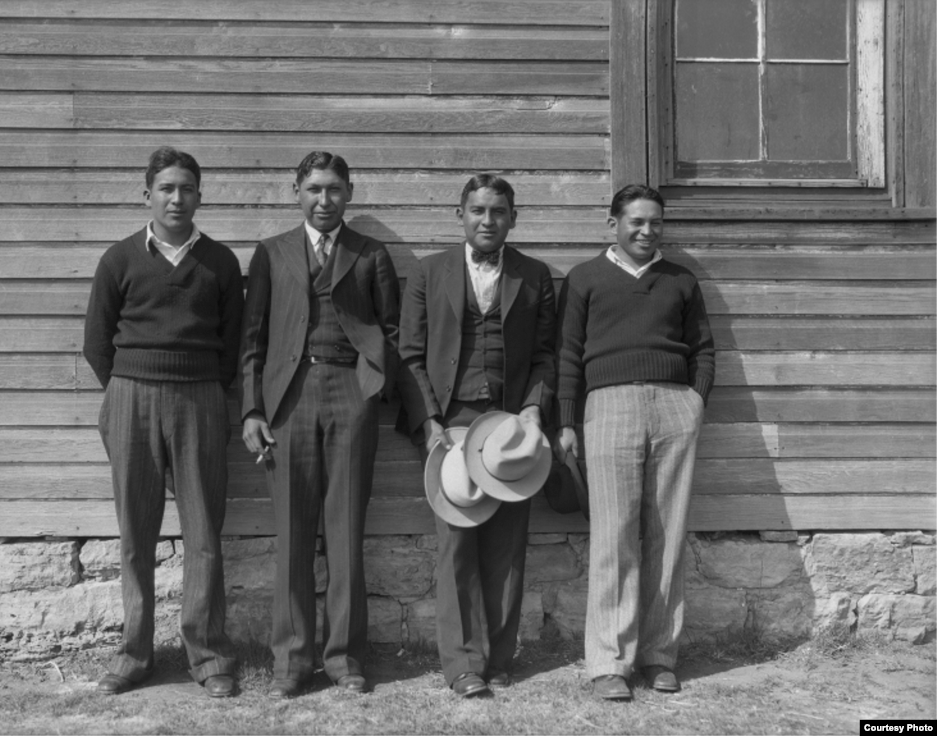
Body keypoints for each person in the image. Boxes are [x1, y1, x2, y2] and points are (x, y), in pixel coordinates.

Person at [239, 151, 401, 698]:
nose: (323, 200)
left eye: (333, 189)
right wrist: (252, 409)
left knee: (345, 533)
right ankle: (291, 660)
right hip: (288, 400)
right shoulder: (271, 254)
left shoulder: (370, 253)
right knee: (292, 534)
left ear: (349, 192)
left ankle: (345, 658)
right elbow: (252, 339)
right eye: (313, 189)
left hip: (350, 394)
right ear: (296, 191)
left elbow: (391, 329)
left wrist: (374, 387)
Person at [83, 146, 243, 698]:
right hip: (131, 397)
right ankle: (135, 655)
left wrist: (206, 388)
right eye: (167, 188)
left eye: (188, 188)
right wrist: (129, 389)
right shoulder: (119, 259)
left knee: (203, 532)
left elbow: (233, 343)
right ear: (146, 193)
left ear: (201, 195)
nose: (177, 198)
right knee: (136, 533)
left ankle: (209, 654)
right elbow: (96, 341)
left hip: (199, 397)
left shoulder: (220, 263)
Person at [398, 173, 556, 697]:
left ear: (514, 217)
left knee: (507, 546)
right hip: (452, 422)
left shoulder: (534, 276)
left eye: (498, 212)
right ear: (459, 214)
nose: (487, 221)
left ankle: (499, 658)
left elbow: (544, 356)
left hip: (510, 427)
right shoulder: (428, 273)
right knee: (458, 541)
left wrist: (533, 411)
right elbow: (411, 355)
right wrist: (429, 423)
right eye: (477, 211)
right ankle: (463, 664)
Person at [555, 184, 715, 701]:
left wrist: (694, 402)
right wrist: (566, 421)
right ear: (613, 224)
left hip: (674, 405)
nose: (647, 232)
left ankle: (659, 657)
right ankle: (609, 664)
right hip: (608, 406)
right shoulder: (585, 278)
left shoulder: (680, 280)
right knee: (613, 534)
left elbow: (704, 349)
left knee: (666, 534)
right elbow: (567, 354)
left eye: (655, 223)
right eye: (636, 223)